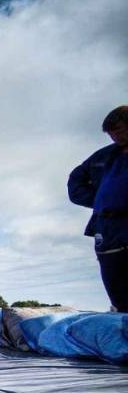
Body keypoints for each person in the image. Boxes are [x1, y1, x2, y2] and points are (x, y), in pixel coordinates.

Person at [68, 105, 128, 311]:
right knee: (115, 282)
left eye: (120, 131)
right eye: (112, 134)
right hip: (107, 226)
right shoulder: (103, 157)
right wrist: (101, 200)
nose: (116, 138)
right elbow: (76, 180)